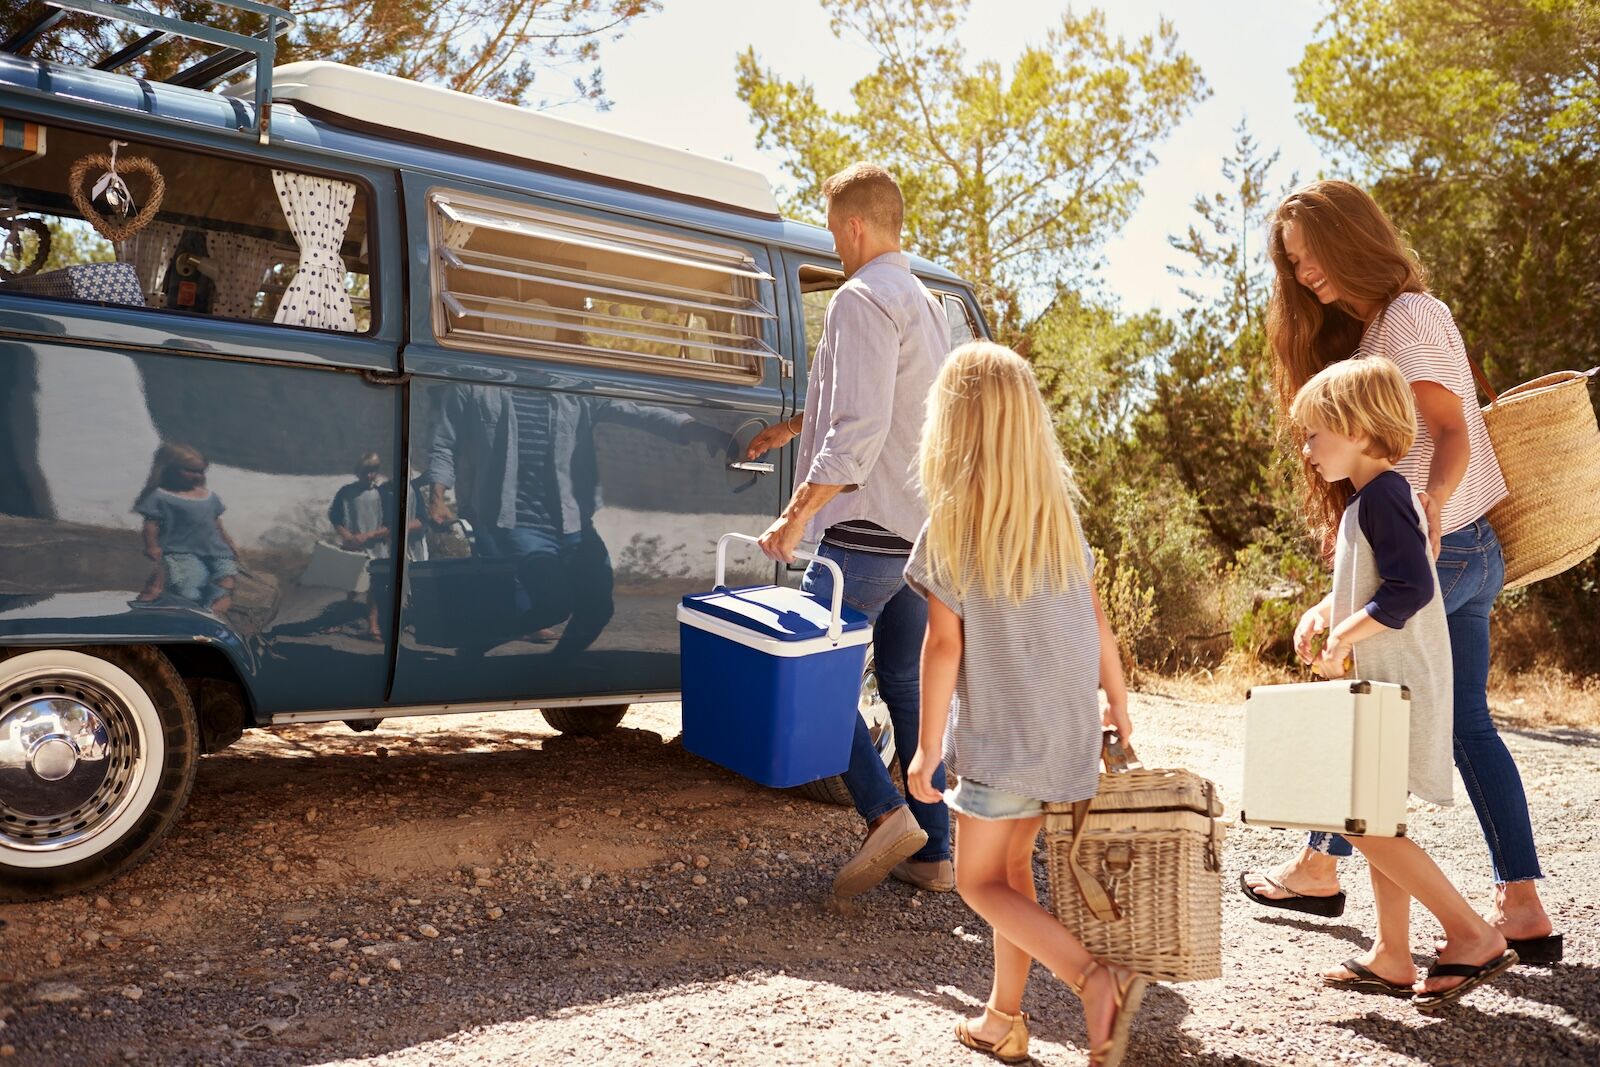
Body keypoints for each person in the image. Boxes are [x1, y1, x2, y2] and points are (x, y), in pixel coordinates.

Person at [1240, 179, 1559, 964]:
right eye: (1294, 264)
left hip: (1442, 548)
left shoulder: (1406, 318)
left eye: (1312, 256)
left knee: (1360, 722)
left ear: (1351, 239)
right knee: (1465, 728)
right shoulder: (1394, 319)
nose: (1306, 274)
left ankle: (1322, 863)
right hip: (1469, 548)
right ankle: (1521, 904)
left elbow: (1451, 428)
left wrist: (1428, 506)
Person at [903, 342, 1142, 1067]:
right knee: (1013, 875)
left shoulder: (951, 525)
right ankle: (1002, 1017)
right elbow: (1100, 624)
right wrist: (1120, 705)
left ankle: (1095, 978)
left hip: (1002, 738)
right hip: (1063, 732)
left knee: (977, 880)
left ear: (953, 425)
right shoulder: (1059, 521)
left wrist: (924, 746)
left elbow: (943, 646)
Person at [746, 162, 952, 897]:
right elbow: (879, 400)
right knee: (904, 684)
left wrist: (795, 513)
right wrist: (790, 429)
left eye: (834, 229)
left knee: (808, 678)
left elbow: (859, 431)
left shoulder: (860, 297)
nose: (834, 245)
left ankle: (884, 812)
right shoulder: (929, 304)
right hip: (919, 532)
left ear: (856, 225)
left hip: (862, 530)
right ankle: (936, 854)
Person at [1286, 357, 1517, 1008]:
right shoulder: (1375, 499)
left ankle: (1470, 932)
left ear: (1359, 428)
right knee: (1375, 816)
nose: (1307, 450)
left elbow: (1412, 587)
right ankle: (1392, 952)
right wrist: (1332, 616)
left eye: (1315, 434)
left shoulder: (1385, 495)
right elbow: (1381, 582)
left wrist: (1343, 634)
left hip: (1400, 686)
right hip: (1389, 681)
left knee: (1365, 823)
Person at [133, 443, 239, 613]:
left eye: (201, 471)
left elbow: (216, 523)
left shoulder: (209, 497)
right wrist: (152, 545)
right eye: (191, 471)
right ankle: (190, 614)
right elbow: (151, 524)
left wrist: (229, 544)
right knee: (190, 584)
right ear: (170, 470)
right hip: (181, 551)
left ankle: (212, 615)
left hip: (217, 550)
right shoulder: (161, 496)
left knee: (225, 580)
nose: (197, 476)